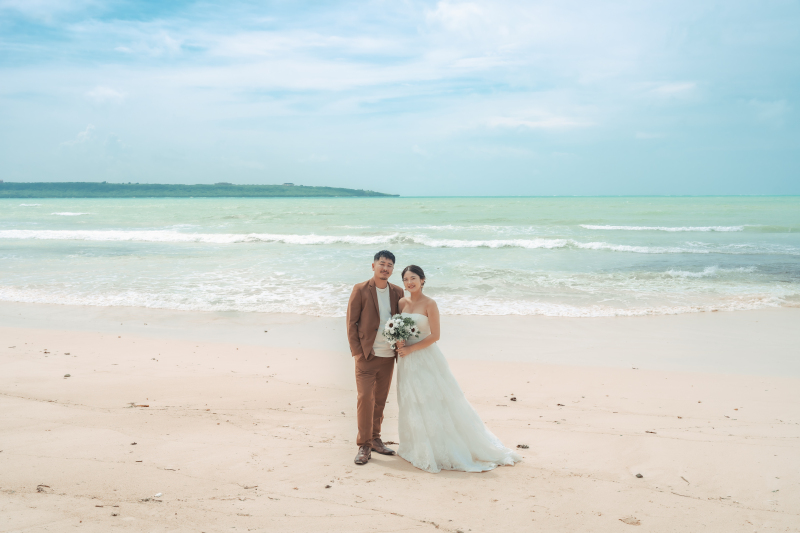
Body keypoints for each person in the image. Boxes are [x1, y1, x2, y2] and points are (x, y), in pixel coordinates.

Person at [395, 265, 521, 473]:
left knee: (433, 399)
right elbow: (398, 328)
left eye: (414, 278)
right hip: (406, 359)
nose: (410, 282)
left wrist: (411, 349)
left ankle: (441, 448)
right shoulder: (402, 302)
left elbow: (435, 335)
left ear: (423, 280)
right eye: (406, 279)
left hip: (425, 357)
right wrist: (400, 342)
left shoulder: (430, 304)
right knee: (411, 400)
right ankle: (416, 446)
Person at [346, 250, 405, 465]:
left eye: (389, 265)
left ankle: (375, 439)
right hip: (367, 356)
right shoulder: (361, 289)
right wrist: (358, 353)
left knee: (380, 400)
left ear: (393, 269)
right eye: (382, 264)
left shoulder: (397, 292)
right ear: (373, 266)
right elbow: (351, 323)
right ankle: (364, 444)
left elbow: (402, 322)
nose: (385, 268)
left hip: (388, 356)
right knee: (365, 399)